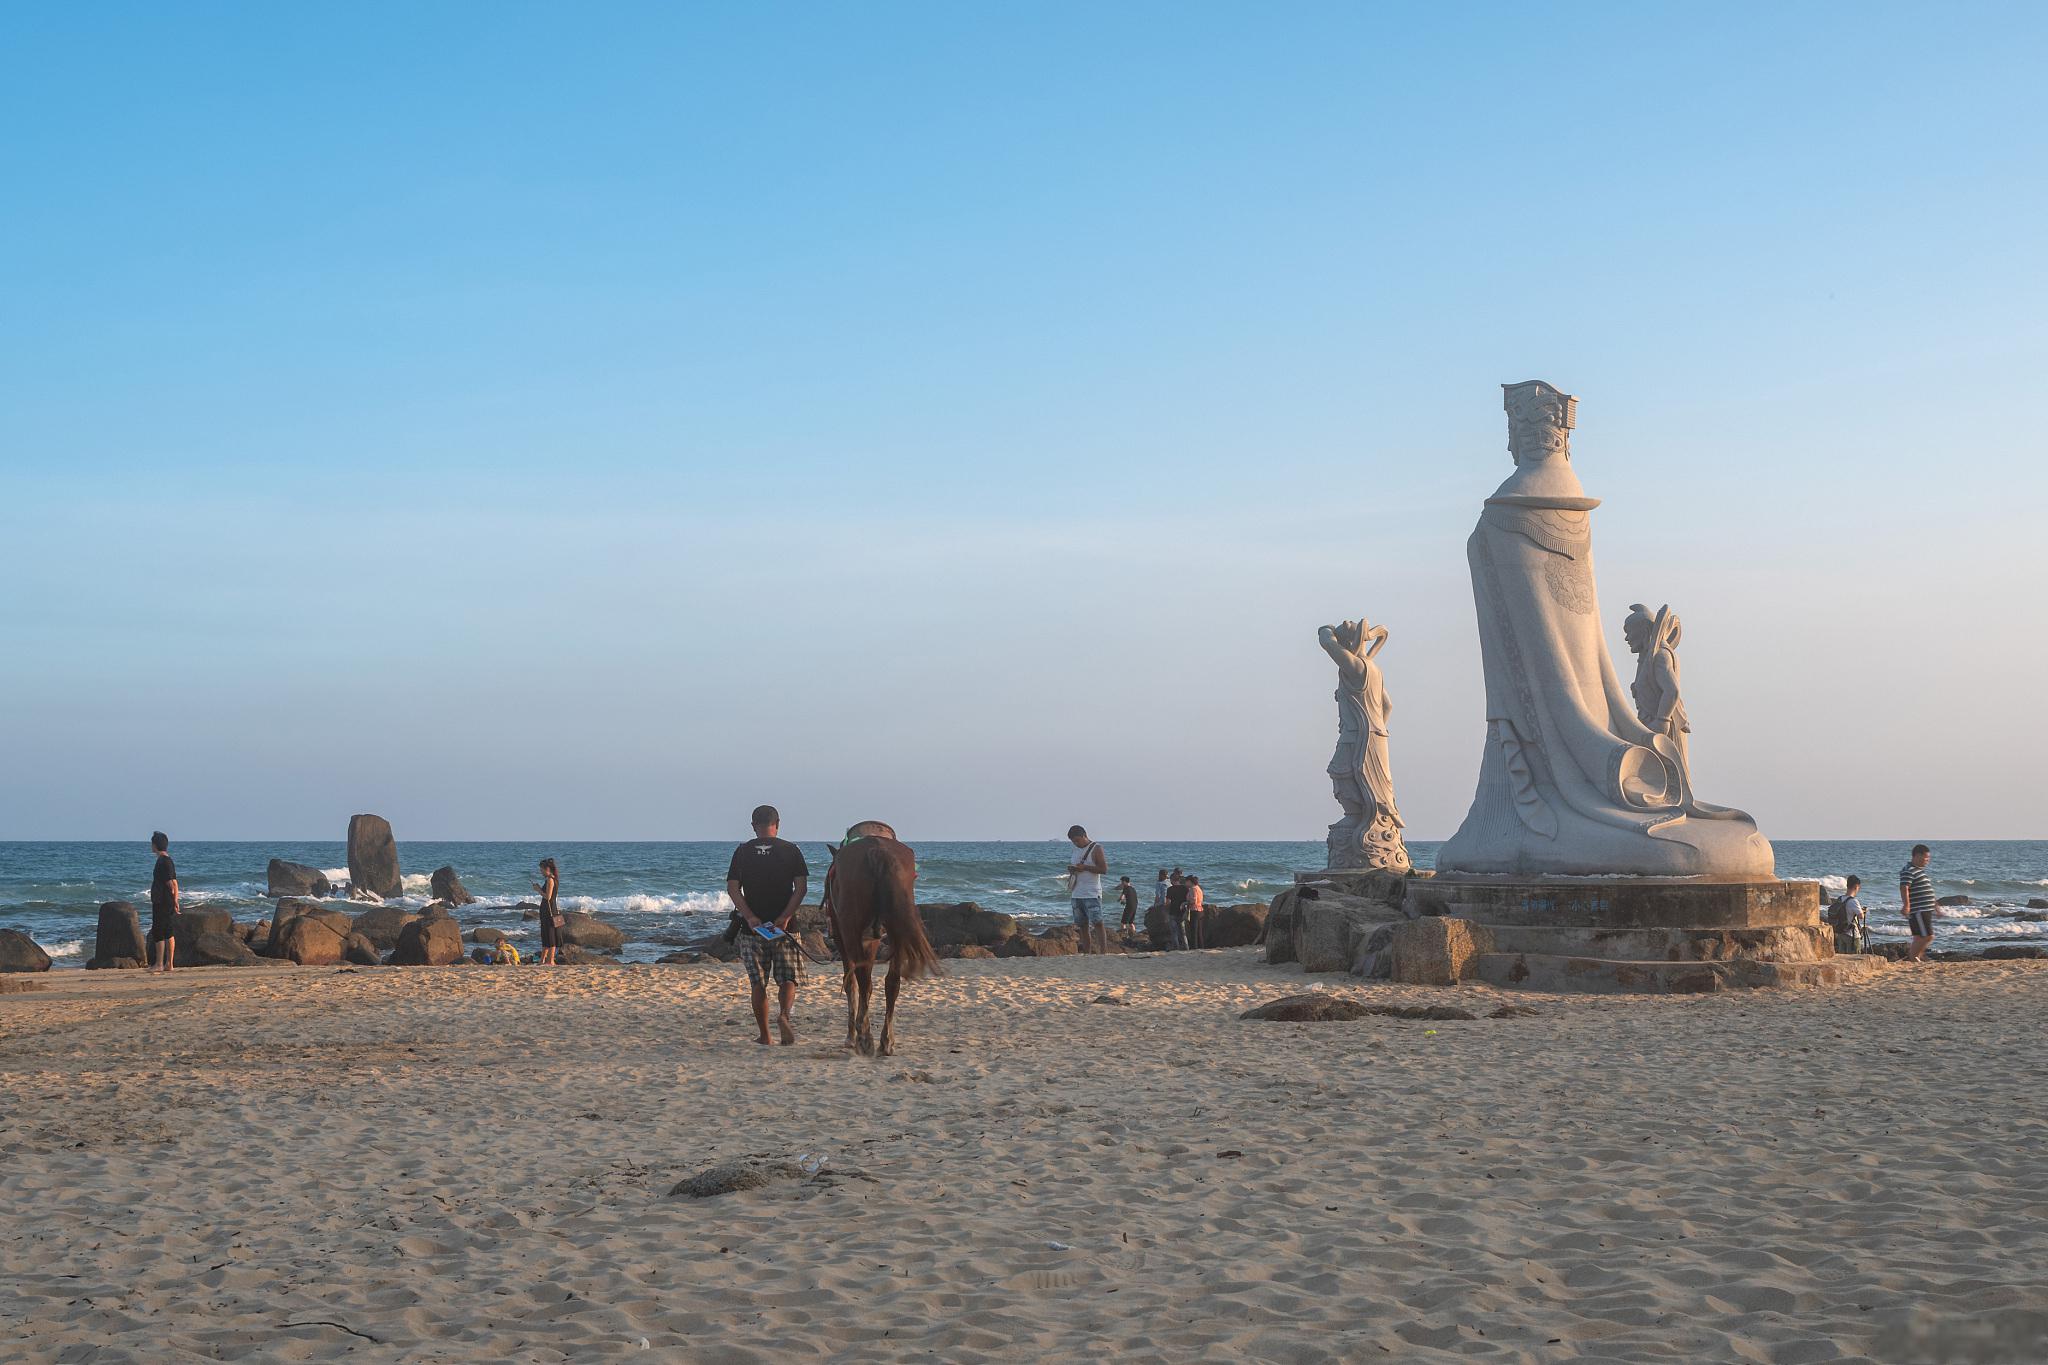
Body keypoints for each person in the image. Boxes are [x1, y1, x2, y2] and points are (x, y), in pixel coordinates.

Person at [727, 805, 808, 1045]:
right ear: (778, 823)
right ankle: (783, 1015)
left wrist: (750, 916)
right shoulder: (791, 850)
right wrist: (785, 917)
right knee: (788, 979)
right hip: (785, 927)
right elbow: (801, 888)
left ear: (753, 825)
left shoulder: (742, 852)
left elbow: (733, 889)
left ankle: (765, 1035)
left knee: (758, 984)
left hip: (753, 928)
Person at [1065, 826, 1109, 954]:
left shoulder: (1096, 848)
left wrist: (1084, 867)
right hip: (1076, 893)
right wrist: (1073, 869)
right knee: (1082, 925)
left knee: (1098, 923)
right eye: (1073, 841)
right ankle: (1087, 952)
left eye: (1077, 840)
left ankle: (1103, 952)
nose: (1076, 843)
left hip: (1092, 892)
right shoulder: (1075, 850)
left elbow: (1103, 869)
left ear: (1085, 835)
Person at [1899, 844, 1937, 962]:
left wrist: (1936, 906)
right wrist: (1906, 905)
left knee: (1919, 937)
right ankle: (1914, 958)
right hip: (1919, 910)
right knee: (1927, 936)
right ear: (1917, 856)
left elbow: (1926, 890)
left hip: (1925, 909)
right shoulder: (1909, 870)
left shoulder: (1918, 871)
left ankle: (1916, 958)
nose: (1927, 861)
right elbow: (1904, 887)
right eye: (1926, 858)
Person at [147, 831, 179, 973]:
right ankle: (169, 964)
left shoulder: (162, 861)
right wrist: (175, 900)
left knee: (159, 931)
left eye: (152, 843)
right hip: (167, 901)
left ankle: (159, 963)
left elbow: (171, 884)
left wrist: (173, 899)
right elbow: (175, 882)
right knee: (168, 931)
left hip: (162, 901)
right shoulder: (168, 860)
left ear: (155, 845)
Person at [1826, 876, 1867, 955]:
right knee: (1855, 959)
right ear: (1856, 887)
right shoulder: (1853, 901)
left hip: (1841, 933)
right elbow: (1861, 916)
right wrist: (1863, 911)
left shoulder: (1840, 899)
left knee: (1843, 958)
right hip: (1852, 935)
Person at [532, 858, 563, 965]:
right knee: (546, 935)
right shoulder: (554, 879)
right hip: (550, 909)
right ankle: (542, 960)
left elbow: (548, 897)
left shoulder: (550, 880)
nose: (541, 872)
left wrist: (538, 890)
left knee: (550, 936)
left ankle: (550, 960)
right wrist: (540, 888)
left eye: (541, 869)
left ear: (548, 869)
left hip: (549, 910)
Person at [1164, 870, 1189, 951]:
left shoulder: (1170, 889)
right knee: (1183, 932)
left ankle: (1176, 947)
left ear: (1172, 880)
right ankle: (1186, 947)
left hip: (1173, 912)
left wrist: (1166, 909)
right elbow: (1187, 900)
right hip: (1182, 912)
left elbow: (1167, 902)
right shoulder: (1185, 888)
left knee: (1174, 932)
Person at [1185, 874, 1206, 949]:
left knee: (1194, 931)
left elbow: (1194, 900)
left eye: (1186, 882)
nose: (1185, 883)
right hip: (1200, 910)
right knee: (1199, 931)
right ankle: (1201, 946)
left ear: (1190, 882)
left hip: (1195, 911)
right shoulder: (1198, 888)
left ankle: (1195, 947)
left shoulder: (1193, 889)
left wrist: (1185, 903)